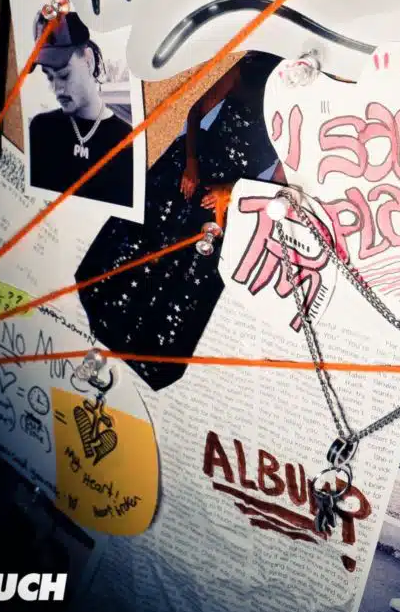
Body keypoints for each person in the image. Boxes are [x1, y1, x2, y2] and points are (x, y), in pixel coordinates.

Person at [74, 51, 283, 391]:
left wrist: (232, 191)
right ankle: (105, 321)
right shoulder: (251, 66)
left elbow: (279, 184)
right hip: (194, 164)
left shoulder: (302, 105)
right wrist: (191, 162)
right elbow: (196, 111)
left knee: (186, 276)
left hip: (232, 196)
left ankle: (142, 350)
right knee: (140, 240)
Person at [28, 9, 133, 207]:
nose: (56, 88)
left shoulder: (126, 142)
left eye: (64, 74)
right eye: (49, 76)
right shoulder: (41, 128)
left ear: (89, 61)